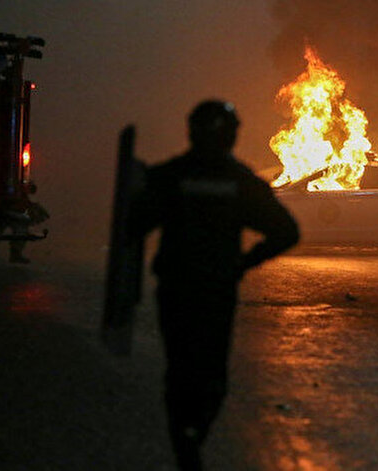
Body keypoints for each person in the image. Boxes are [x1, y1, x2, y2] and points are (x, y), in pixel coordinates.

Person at [129, 100, 299, 470]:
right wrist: (243, 264)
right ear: (232, 136)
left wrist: (137, 186)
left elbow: (134, 225)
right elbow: (287, 231)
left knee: (179, 370)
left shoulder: (171, 175)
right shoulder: (240, 181)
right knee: (211, 375)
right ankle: (192, 437)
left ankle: (185, 441)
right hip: (216, 291)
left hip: (175, 289)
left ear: (191, 132)